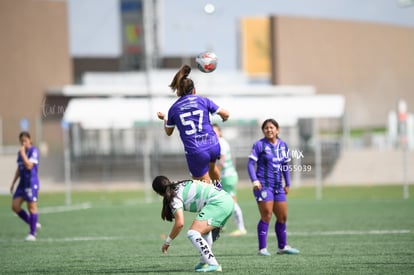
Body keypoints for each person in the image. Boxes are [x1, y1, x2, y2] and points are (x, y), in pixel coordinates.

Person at [156, 64, 229, 182]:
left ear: (178, 92)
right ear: (194, 90)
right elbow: (226, 114)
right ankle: (219, 190)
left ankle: (214, 199)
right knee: (212, 167)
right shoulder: (203, 100)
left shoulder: (174, 108)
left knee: (202, 187)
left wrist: (165, 118)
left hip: (196, 150)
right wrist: (224, 118)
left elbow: (168, 132)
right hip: (213, 144)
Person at [152, 175, 234, 272]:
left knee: (192, 233)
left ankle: (213, 264)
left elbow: (180, 223)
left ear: (158, 192)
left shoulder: (174, 198)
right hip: (227, 200)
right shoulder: (178, 183)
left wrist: (167, 242)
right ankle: (204, 262)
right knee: (203, 232)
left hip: (218, 203)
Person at [247, 119, 299, 256]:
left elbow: (285, 166)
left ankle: (283, 247)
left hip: (278, 187)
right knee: (267, 215)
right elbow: (250, 164)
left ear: (277, 130)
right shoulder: (259, 145)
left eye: (271, 127)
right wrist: (255, 180)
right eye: (266, 128)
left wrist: (287, 183)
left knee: (282, 217)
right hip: (264, 186)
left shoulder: (283, 145)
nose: (269, 130)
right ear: (263, 131)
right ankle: (262, 249)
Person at [212, 123, 247, 236]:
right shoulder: (216, 142)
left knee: (232, 202)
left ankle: (241, 228)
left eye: (215, 131)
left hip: (227, 176)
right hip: (224, 176)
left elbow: (222, 161)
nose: (212, 133)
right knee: (221, 201)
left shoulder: (221, 142)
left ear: (220, 132)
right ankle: (221, 225)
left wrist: (213, 173)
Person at [9, 131, 41, 241]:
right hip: (22, 183)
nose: (23, 143)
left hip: (31, 183)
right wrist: (13, 183)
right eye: (21, 141)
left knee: (31, 207)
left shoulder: (33, 151)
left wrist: (23, 154)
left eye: (25, 141)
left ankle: (32, 234)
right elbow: (19, 168)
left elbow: (28, 165)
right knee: (15, 206)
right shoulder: (21, 153)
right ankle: (33, 223)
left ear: (30, 140)